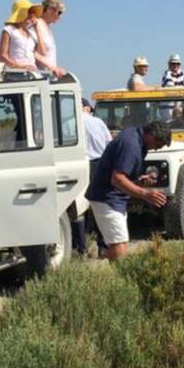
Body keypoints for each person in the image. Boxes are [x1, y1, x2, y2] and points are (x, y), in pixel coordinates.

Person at [86, 121, 172, 262]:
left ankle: (117, 276)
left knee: (119, 242)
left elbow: (120, 177)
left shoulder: (136, 138)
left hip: (112, 197)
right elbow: (117, 179)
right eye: (157, 145)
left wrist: (138, 181)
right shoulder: (131, 144)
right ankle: (120, 279)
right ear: (151, 135)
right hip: (107, 198)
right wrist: (146, 194)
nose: (156, 149)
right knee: (119, 244)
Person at [71, 98, 113, 256]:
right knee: (101, 205)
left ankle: (81, 248)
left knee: (79, 208)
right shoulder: (98, 122)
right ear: (87, 108)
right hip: (99, 165)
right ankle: (103, 246)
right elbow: (109, 144)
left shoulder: (70, 123)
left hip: (79, 166)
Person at [0, 0, 42, 70]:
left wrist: (36, 28)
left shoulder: (31, 33)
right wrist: (21, 67)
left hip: (33, 74)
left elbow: (42, 52)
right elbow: (2, 56)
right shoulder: (9, 30)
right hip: (16, 75)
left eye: (32, 12)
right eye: (29, 11)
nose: (32, 15)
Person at [34, 0, 66, 78]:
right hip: (39, 79)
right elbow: (30, 51)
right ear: (49, 10)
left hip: (48, 77)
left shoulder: (47, 27)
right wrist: (51, 67)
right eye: (59, 12)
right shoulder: (37, 24)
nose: (60, 16)